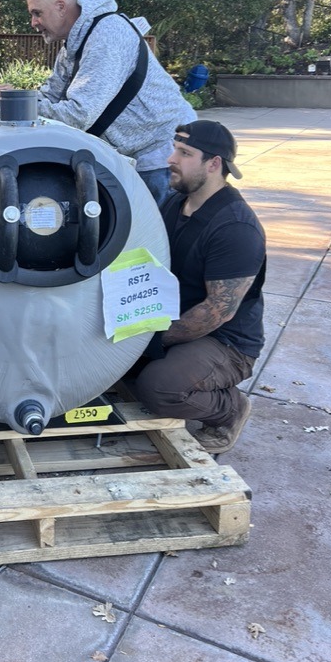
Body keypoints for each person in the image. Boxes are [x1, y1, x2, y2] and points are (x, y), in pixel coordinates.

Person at [0, 0, 195, 205]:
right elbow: (50, 97)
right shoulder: (73, 46)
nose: (33, 23)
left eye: (37, 13)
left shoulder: (107, 36)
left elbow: (79, 115)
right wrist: (8, 96)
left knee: (156, 238)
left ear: (60, 6)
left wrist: (14, 104)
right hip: (133, 154)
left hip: (161, 156)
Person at [131, 120, 266, 453]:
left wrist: (151, 339)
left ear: (214, 164)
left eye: (184, 153)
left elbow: (216, 311)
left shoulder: (235, 227)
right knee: (110, 367)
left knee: (158, 387)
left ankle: (230, 410)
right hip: (177, 320)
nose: (170, 159)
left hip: (227, 342)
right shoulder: (176, 204)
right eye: (175, 149)